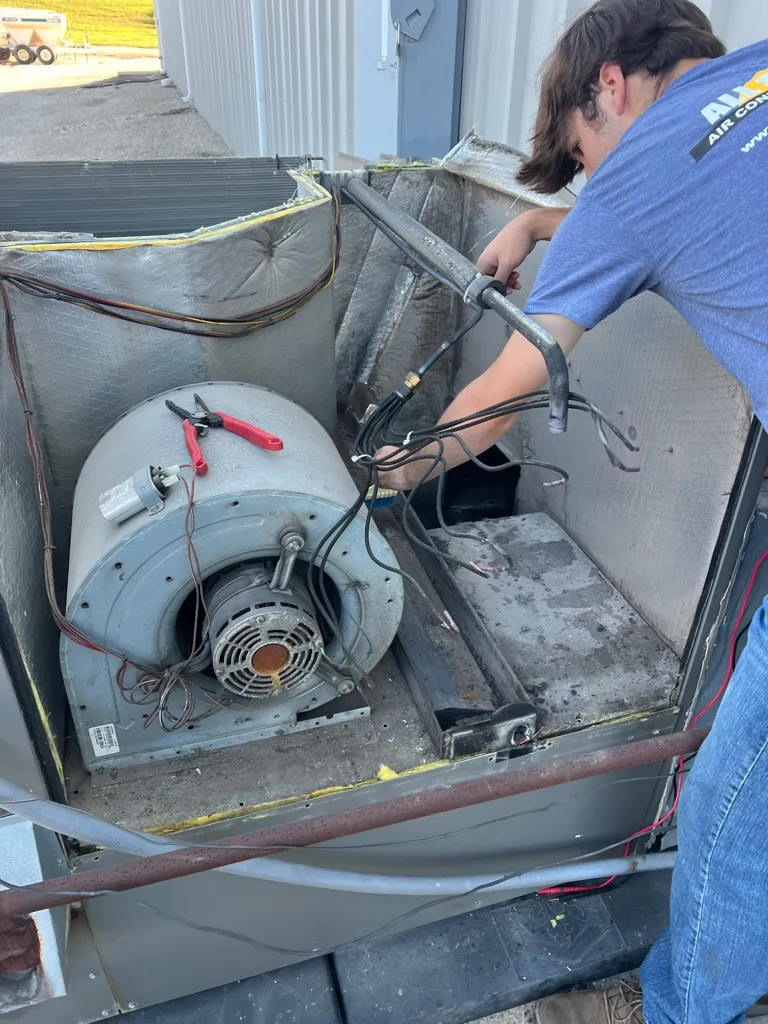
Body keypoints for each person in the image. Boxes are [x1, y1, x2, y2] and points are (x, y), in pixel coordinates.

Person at [378, 2, 768, 1021]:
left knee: (737, 801)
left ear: (609, 84)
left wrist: (388, 475)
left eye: (585, 155)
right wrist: (546, 220)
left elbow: (511, 381)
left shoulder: (638, 181)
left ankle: (689, 1006)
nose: (594, 179)